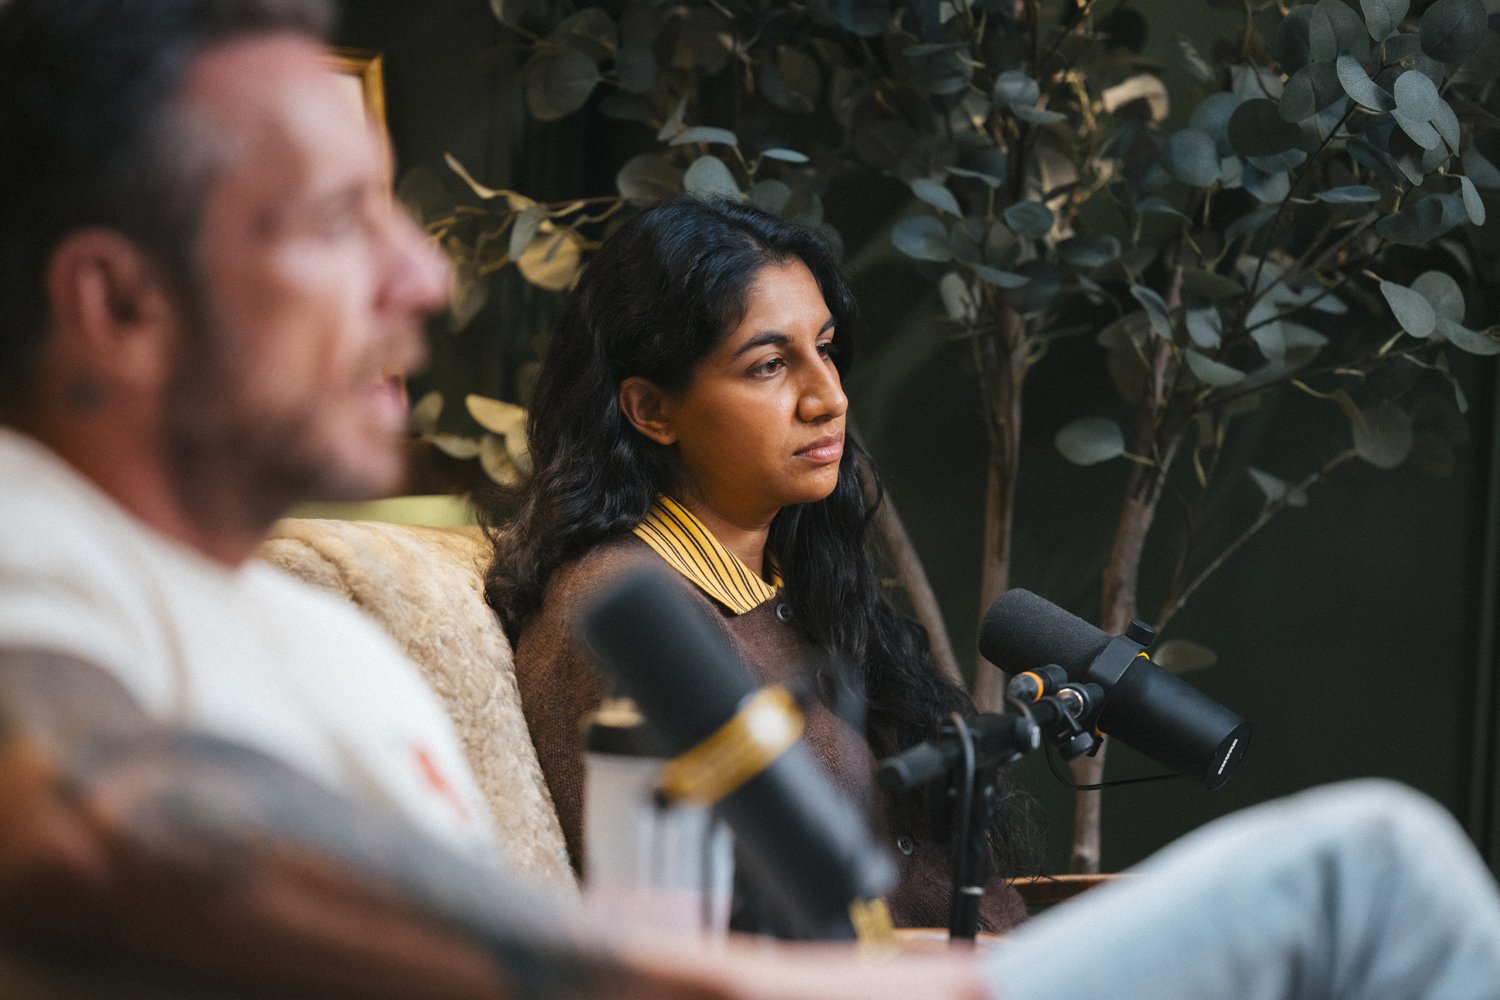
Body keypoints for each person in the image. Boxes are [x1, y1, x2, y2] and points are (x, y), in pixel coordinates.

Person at [3, 1, 1499, 998]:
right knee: (1372, 871)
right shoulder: (32, 547)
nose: (425, 275)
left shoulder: (305, 638)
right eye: (339, 221)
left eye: (828, 353)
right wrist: (730, 982)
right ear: (115, 304)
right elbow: (78, 814)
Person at [482, 196, 1032, 933]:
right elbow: (730, 944)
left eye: (826, 348)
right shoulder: (629, 620)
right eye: (770, 365)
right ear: (651, 410)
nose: (829, 397)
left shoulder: (794, 579)